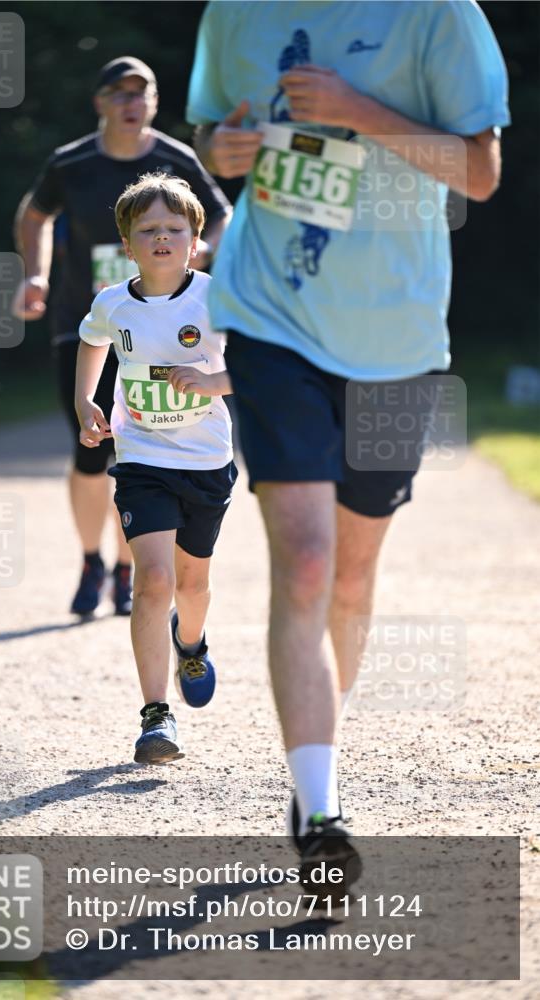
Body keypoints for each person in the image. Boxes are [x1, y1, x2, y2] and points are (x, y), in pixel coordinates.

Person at [187, 0, 509, 880]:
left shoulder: (436, 15)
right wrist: (227, 153)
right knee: (305, 562)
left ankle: (316, 750)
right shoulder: (236, 13)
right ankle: (319, 806)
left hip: (397, 337)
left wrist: (356, 111)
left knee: (355, 572)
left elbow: (478, 173)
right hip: (269, 315)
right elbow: (215, 134)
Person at [12, 57, 231, 617]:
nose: (132, 103)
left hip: (163, 326)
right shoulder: (72, 163)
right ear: (101, 102)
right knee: (92, 447)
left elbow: (220, 218)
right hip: (87, 322)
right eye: (120, 93)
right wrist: (35, 274)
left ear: (154, 102)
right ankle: (92, 560)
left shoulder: (175, 160)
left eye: (143, 93)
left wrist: (202, 256)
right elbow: (34, 216)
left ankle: (131, 561)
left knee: (147, 439)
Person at [75, 173, 237, 764]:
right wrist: (84, 400)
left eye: (175, 228)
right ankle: (155, 717)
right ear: (128, 243)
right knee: (155, 580)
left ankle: (190, 644)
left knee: (192, 586)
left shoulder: (218, 299)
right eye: (149, 230)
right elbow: (92, 341)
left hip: (206, 461)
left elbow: (261, 362)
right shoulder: (112, 302)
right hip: (141, 458)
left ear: (195, 239)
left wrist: (214, 381)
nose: (163, 237)